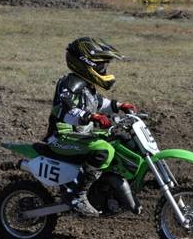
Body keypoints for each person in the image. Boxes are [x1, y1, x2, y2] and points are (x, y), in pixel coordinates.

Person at [43, 37, 137, 217]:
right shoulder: (69, 84)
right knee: (102, 150)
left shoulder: (86, 87)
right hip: (61, 138)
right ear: (86, 64)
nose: (104, 70)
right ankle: (77, 196)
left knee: (120, 142)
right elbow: (64, 108)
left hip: (79, 136)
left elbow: (98, 103)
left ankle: (104, 189)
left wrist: (118, 106)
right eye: (101, 66)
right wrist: (90, 117)